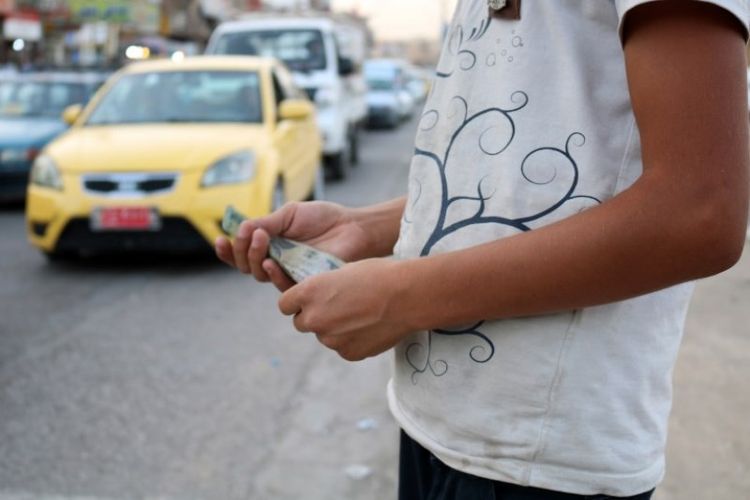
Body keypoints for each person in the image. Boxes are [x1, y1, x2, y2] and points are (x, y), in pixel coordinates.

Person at [216, 1, 749, 498]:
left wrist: (400, 298)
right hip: (440, 428)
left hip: (544, 460)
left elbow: (699, 213)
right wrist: (365, 226)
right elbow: (517, 182)